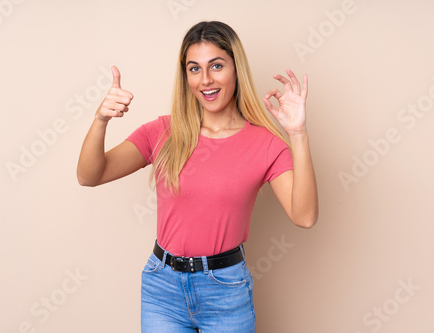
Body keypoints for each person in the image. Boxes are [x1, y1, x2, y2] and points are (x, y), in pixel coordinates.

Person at [77, 21, 318, 333]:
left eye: (216, 65)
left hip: (226, 290)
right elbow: (89, 176)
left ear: (236, 69)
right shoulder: (163, 131)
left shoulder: (266, 144)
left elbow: (305, 216)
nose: (206, 80)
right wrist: (100, 120)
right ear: (185, 76)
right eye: (194, 69)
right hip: (162, 288)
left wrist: (297, 134)